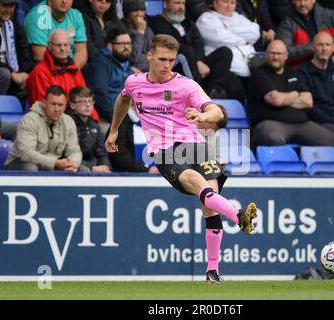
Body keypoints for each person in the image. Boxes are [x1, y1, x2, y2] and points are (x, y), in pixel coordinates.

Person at [105, 34, 257, 284]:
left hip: (196, 145)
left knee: (209, 205)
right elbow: (123, 99)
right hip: (164, 150)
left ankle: (213, 272)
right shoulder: (134, 83)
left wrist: (202, 114)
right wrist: (113, 131)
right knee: (200, 184)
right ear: (150, 56)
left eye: (172, 60)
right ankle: (239, 216)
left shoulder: (186, 85)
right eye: (162, 59)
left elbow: (216, 110)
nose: (167, 65)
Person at [247, 39, 334, 148]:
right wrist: (296, 94)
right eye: (272, 53)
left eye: (279, 54)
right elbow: (276, 100)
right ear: (266, 55)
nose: (275, 57)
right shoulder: (260, 74)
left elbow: (308, 101)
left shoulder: (292, 72)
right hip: (271, 123)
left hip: (301, 123)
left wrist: (284, 99)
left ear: (286, 55)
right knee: (273, 138)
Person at [148, 0, 242, 100]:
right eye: (177, 3)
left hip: (196, 65)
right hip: (174, 66)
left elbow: (199, 42)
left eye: (183, 3)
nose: (181, 7)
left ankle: (213, 92)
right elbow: (171, 45)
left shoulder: (187, 22)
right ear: (165, 4)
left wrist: (199, 61)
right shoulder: (157, 21)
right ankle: (196, 94)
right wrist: (196, 61)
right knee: (186, 50)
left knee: (225, 52)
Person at [25, 29, 99, 121]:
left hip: (77, 120)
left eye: (66, 45)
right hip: (51, 122)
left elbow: (85, 97)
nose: (62, 48)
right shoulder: (40, 72)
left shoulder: (74, 70)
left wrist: (94, 120)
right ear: (49, 46)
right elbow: (45, 108)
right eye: (58, 45)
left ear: (70, 47)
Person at [4, 85, 82, 171]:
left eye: (60, 105)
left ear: (65, 105)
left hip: (52, 165)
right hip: (20, 163)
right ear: (44, 103)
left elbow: (74, 150)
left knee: (82, 170)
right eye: (53, 104)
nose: (57, 109)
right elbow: (26, 153)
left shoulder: (68, 121)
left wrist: (73, 163)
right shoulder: (29, 119)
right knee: (31, 167)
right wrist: (55, 163)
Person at [276, 0, 334, 68]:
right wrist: (312, 47)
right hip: (301, 72)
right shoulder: (287, 23)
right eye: (298, 0)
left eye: (306, 0)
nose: (302, 3)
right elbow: (284, 52)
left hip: (330, 69)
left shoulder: (327, 15)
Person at [85, 25, 135, 135]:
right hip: (108, 119)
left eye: (128, 43)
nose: (126, 47)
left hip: (128, 118)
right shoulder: (101, 64)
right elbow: (100, 95)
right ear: (110, 46)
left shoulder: (128, 67)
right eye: (121, 44)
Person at [196, 0, 261, 78]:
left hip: (252, 67)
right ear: (215, 3)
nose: (229, 6)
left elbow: (255, 33)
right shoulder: (206, 18)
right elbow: (220, 38)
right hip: (228, 71)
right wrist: (245, 40)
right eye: (225, 2)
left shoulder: (239, 17)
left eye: (232, 3)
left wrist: (229, 30)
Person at [23, 0, 88, 69]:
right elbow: (40, 55)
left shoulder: (76, 15)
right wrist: (63, 73)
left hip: (71, 68)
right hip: (47, 70)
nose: (64, 1)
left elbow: (81, 52)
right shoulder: (37, 16)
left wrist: (71, 70)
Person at [67, 86, 112, 173]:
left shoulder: (94, 125)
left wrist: (105, 167)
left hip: (92, 164)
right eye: (83, 101)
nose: (88, 105)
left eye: (90, 101)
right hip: (74, 166)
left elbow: (101, 153)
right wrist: (91, 168)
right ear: (72, 105)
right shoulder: (67, 123)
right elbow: (66, 155)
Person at [121, 0, 154, 72]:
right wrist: (140, 33)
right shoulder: (121, 29)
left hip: (149, 71)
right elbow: (132, 58)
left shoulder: (148, 30)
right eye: (135, 10)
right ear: (127, 12)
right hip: (129, 71)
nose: (139, 14)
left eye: (142, 10)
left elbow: (153, 56)